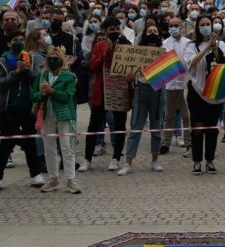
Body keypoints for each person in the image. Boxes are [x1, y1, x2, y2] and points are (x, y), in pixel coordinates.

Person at [0, 28, 46, 188]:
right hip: (8, 107)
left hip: (27, 107)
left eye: (21, 39)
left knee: (30, 140)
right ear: (8, 43)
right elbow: (2, 84)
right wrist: (15, 73)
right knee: (7, 142)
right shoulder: (3, 61)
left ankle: (35, 175)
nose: (18, 42)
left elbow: (36, 79)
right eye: (14, 40)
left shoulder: (29, 58)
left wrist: (26, 70)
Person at [82, 19, 129, 172]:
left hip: (119, 90)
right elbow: (93, 68)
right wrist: (105, 53)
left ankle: (116, 158)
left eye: (117, 28)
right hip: (101, 91)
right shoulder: (99, 46)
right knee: (94, 125)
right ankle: (87, 159)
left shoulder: (126, 45)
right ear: (105, 31)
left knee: (119, 124)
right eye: (111, 29)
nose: (114, 31)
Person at [119, 24, 166, 176]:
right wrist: (130, 77)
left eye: (155, 31)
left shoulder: (164, 51)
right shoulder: (136, 51)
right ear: (145, 34)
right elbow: (128, 71)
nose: (152, 33)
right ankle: (128, 162)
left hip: (158, 91)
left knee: (156, 126)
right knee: (135, 126)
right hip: (141, 89)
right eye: (150, 31)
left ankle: (155, 160)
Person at [32, 45, 79, 194]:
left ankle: (71, 179)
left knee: (67, 147)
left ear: (61, 60)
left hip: (65, 115)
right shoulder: (41, 75)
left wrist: (51, 91)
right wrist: (42, 94)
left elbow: (66, 97)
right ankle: (53, 179)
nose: (52, 61)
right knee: (49, 147)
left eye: (55, 58)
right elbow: (33, 95)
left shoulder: (69, 77)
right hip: (46, 114)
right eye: (49, 58)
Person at [184, 17, 225, 175]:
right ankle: (197, 161)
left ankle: (210, 159)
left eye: (207, 24)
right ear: (197, 27)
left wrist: (215, 47)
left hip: (215, 91)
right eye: (202, 25)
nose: (205, 27)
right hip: (196, 91)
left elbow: (223, 63)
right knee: (197, 129)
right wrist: (207, 47)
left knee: (212, 129)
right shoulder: (190, 46)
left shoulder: (221, 44)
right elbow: (192, 63)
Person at [160, 18, 192, 155]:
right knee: (168, 116)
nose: (173, 28)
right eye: (171, 26)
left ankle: (189, 142)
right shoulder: (165, 43)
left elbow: (190, 61)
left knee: (187, 116)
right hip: (170, 84)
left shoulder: (188, 43)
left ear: (181, 27)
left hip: (185, 83)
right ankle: (165, 143)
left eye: (176, 26)